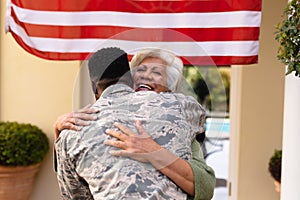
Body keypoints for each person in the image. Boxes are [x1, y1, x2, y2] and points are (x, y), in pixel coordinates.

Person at [55, 47, 215, 199]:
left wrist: (154, 151)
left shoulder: (180, 113)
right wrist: (59, 132)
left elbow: (205, 187)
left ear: (170, 87)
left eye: (156, 72)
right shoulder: (85, 122)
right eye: (141, 70)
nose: (146, 76)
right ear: (130, 79)